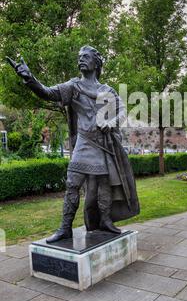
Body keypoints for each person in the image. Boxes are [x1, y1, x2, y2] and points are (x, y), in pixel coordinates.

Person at [7, 46, 139, 243]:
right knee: (72, 184)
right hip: (84, 143)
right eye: (79, 57)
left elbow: (122, 110)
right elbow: (47, 93)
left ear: (96, 63)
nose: (81, 60)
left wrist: (111, 123)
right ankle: (65, 227)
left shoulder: (107, 91)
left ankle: (105, 221)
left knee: (105, 185)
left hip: (103, 146)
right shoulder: (73, 86)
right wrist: (30, 79)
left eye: (86, 57)